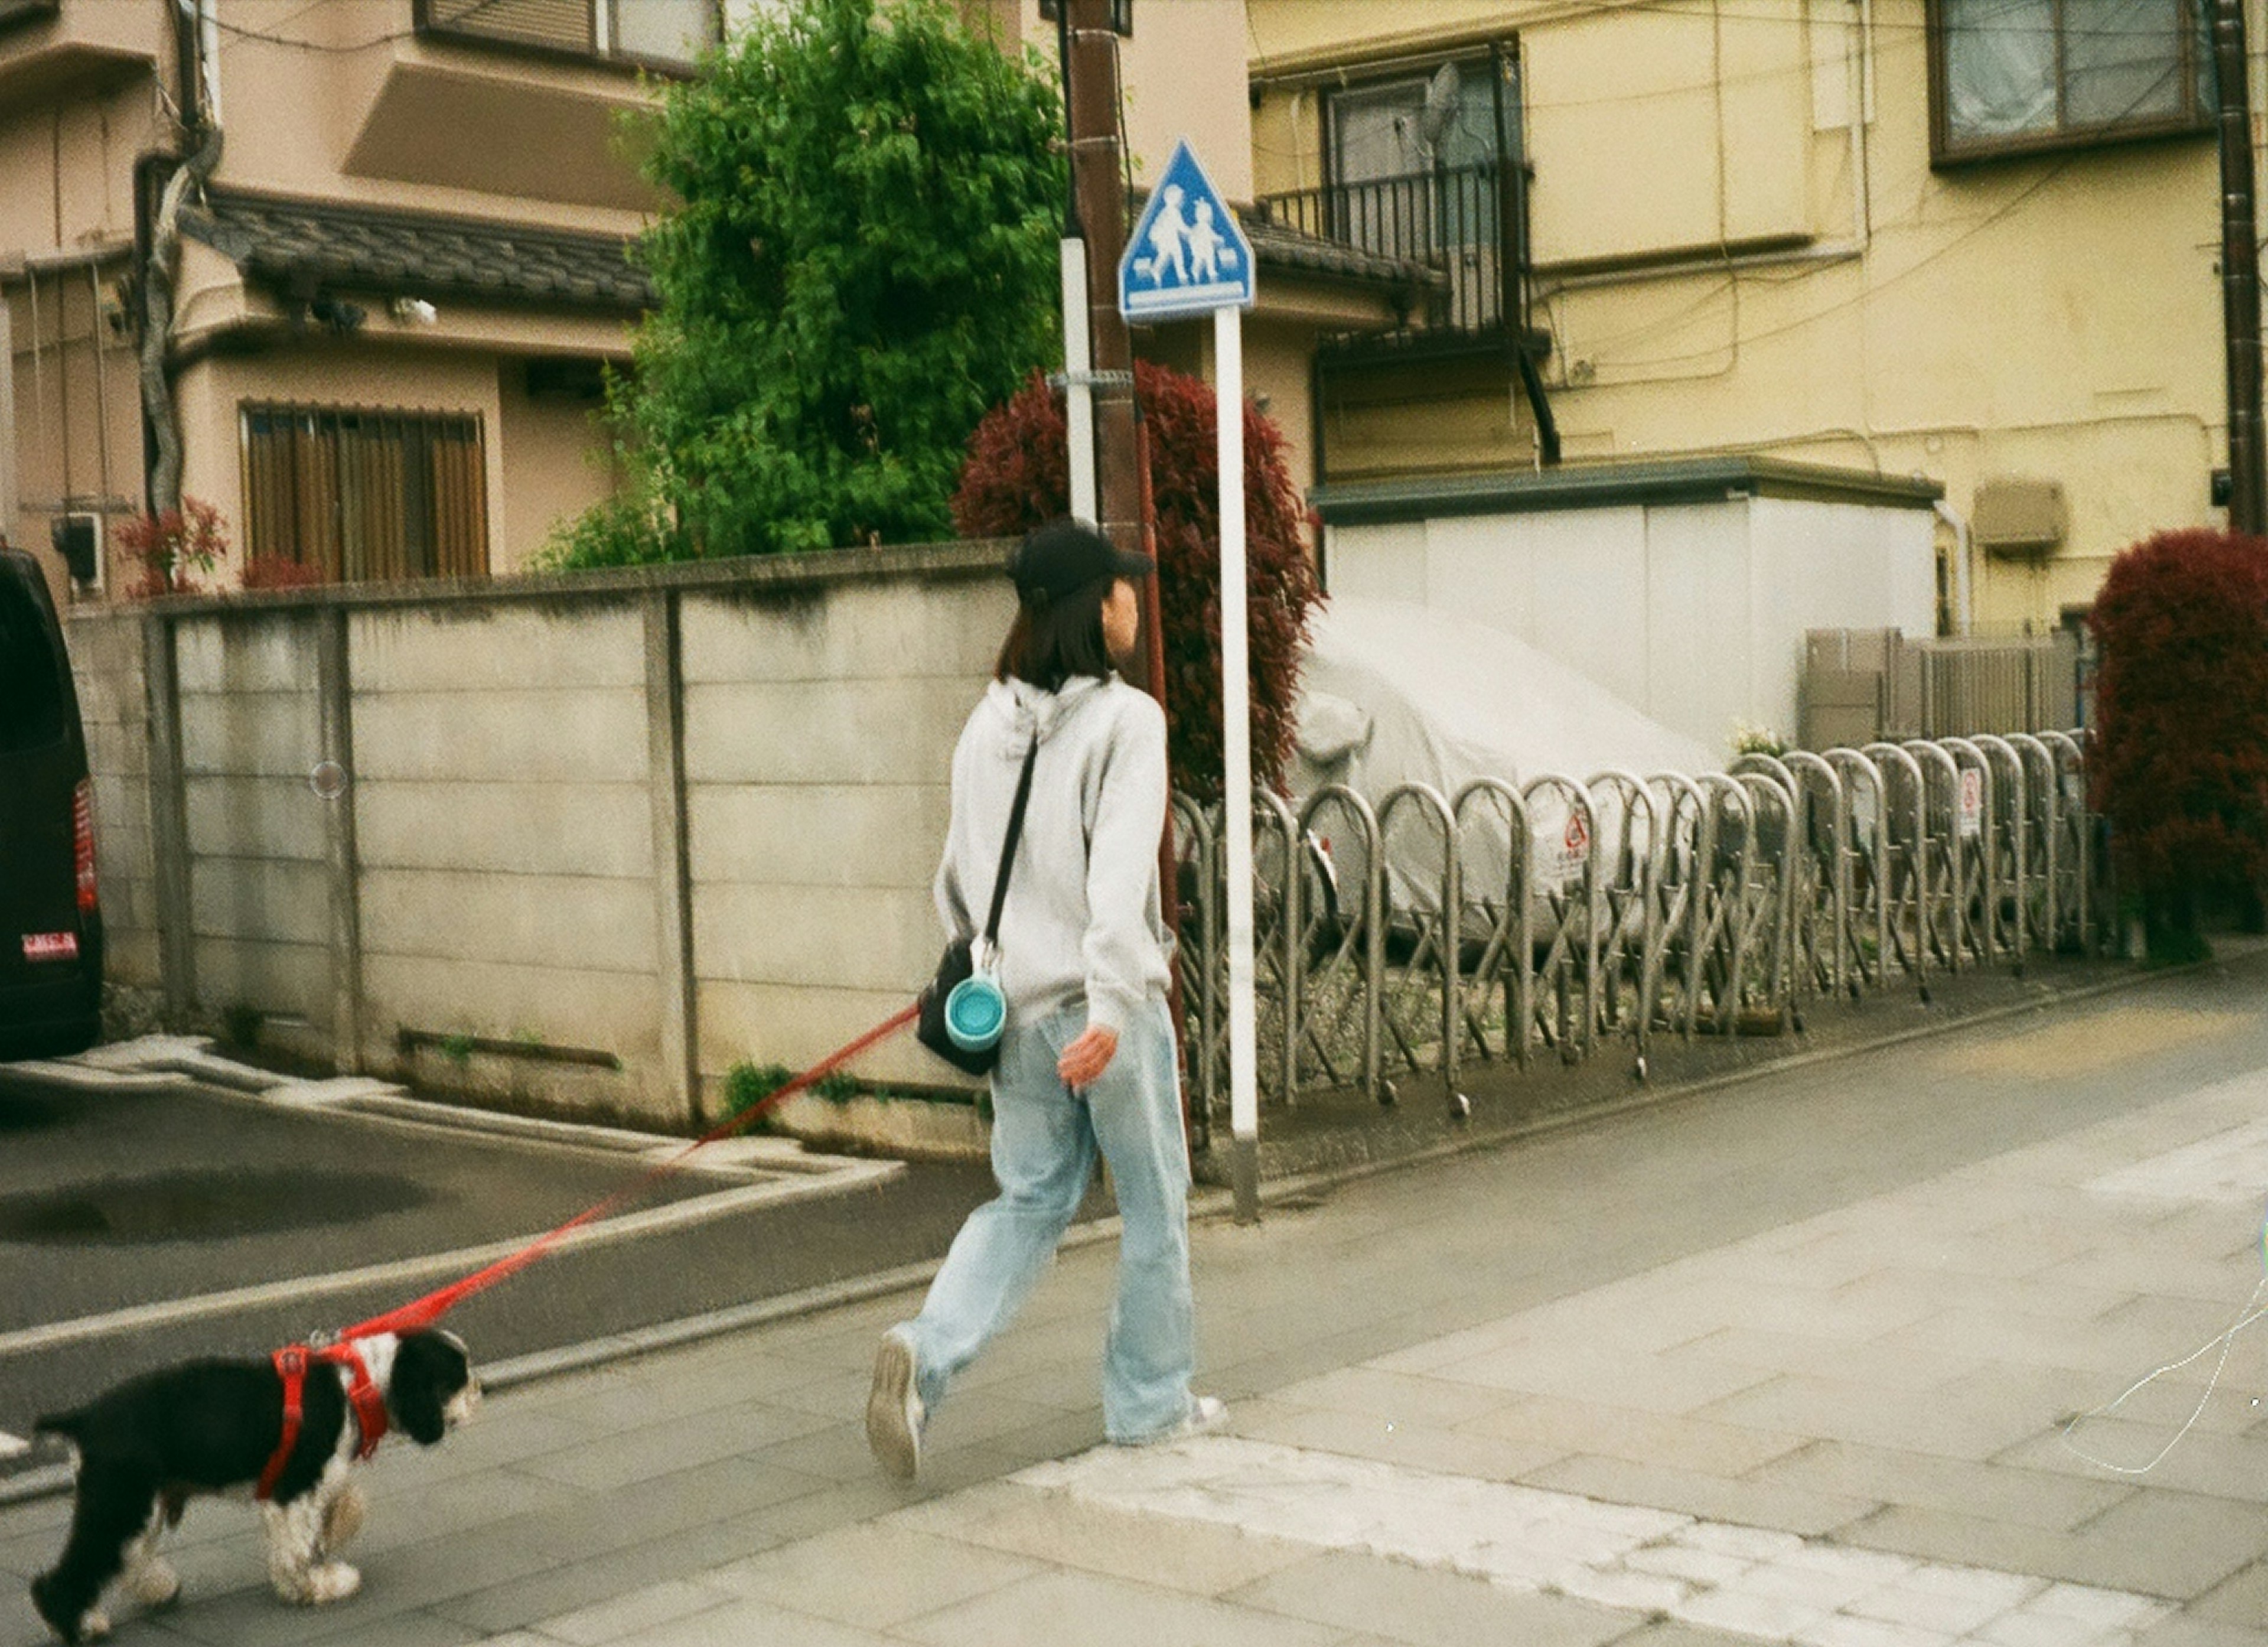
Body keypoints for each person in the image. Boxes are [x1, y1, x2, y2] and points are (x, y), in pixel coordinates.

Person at [866, 519, 1221, 1479]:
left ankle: (925, 1350)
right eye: (1122, 588)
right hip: (1102, 1011)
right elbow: (1117, 888)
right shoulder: (1127, 720)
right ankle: (1150, 1406)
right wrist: (1111, 1009)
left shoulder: (986, 724)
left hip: (1013, 1011)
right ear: (1089, 609)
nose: (1135, 602)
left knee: (1026, 1201)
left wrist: (1007, 956)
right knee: (1154, 1208)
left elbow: (955, 881)